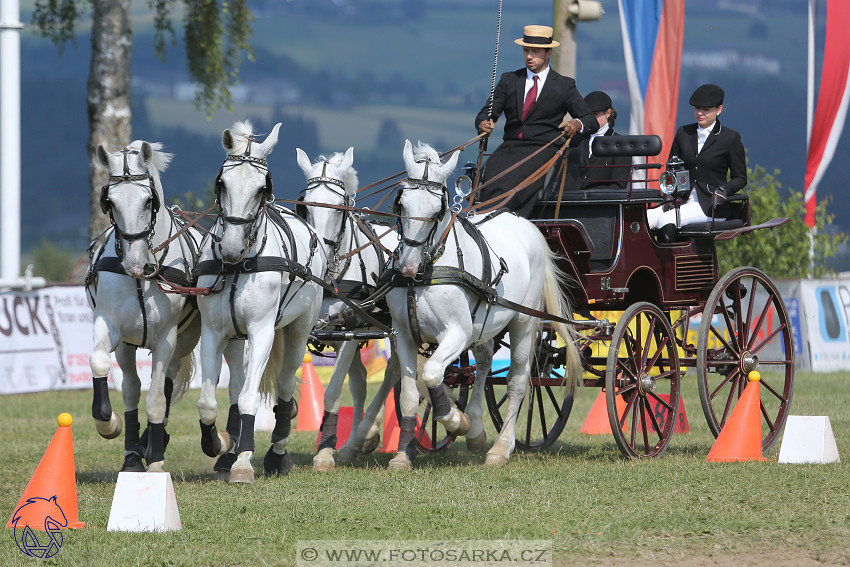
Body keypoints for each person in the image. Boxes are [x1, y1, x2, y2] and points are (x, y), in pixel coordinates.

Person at [474, 24, 598, 218]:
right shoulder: (509, 80)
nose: (529, 56)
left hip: (543, 149)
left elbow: (590, 119)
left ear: (548, 53)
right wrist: (483, 123)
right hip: (510, 148)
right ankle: (484, 219)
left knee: (512, 182)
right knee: (489, 179)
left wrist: (576, 124)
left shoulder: (564, 85)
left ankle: (504, 221)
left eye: (535, 52)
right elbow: (486, 113)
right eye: (526, 51)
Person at [647, 83, 747, 242]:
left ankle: (670, 265)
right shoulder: (683, 133)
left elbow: (740, 177)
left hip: (710, 205)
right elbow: (671, 167)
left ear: (719, 110)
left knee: (665, 221)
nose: (700, 113)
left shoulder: (730, 138)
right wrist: (668, 195)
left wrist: (724, 190)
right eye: (696, 109)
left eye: (706, 110)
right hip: (681, 200)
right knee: (645, 218)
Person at [565, 90, 632, 190]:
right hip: (571, 201)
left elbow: (619, 184)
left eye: (595, 114)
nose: (591, 119)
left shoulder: (620, 144)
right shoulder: (574, 140)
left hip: (602, 202)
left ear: (608, 113)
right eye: (588, 115)